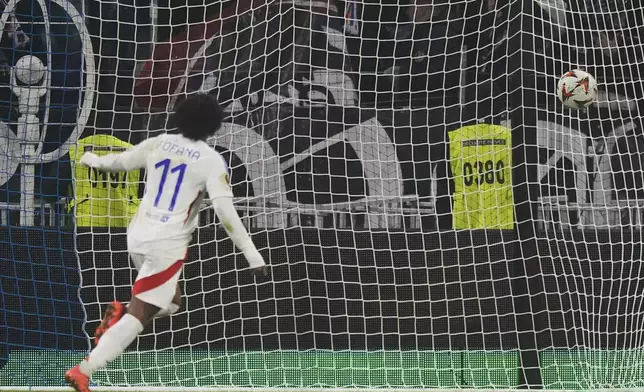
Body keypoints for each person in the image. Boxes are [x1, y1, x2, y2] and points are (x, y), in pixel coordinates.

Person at [64, 93, 269, 392]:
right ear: (215, 126)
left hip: (137, 235)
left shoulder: (159, 141)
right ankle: (84, 370)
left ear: (179, 116)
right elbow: (225, 211)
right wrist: (252, 254)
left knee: (173, 302)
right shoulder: (212, 160)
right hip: (167, 244)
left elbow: (119, 163)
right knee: (142, 313)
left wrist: (91, 158)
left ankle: (119, 315)